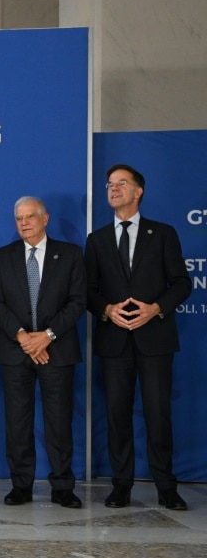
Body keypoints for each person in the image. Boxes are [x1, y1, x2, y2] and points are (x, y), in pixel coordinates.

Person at [85, 164, 192, 510]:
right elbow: (86, 291)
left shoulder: (163, 234)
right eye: (109, 185)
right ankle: (121, 486)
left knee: (158, 413)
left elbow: (182, 283)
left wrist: (156, 308)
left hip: (155, 339)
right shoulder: (96, 240)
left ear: (138, 191)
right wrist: (107, 310)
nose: (113, 189)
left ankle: (166, 487)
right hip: (114, 341)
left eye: (121, 184)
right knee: (117, 413)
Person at [0, 197, 86, 508]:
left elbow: (78, 301)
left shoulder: (70, 254)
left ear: (45, 219)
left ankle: (62, 487)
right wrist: (22, 337)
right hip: (16, 352)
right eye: (19, 218)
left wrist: (46, 336)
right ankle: (21, 485)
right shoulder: (2, 257)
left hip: (57, 350)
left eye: (30, 216)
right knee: (17, 422)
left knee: (59, 421)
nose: (24, 223)